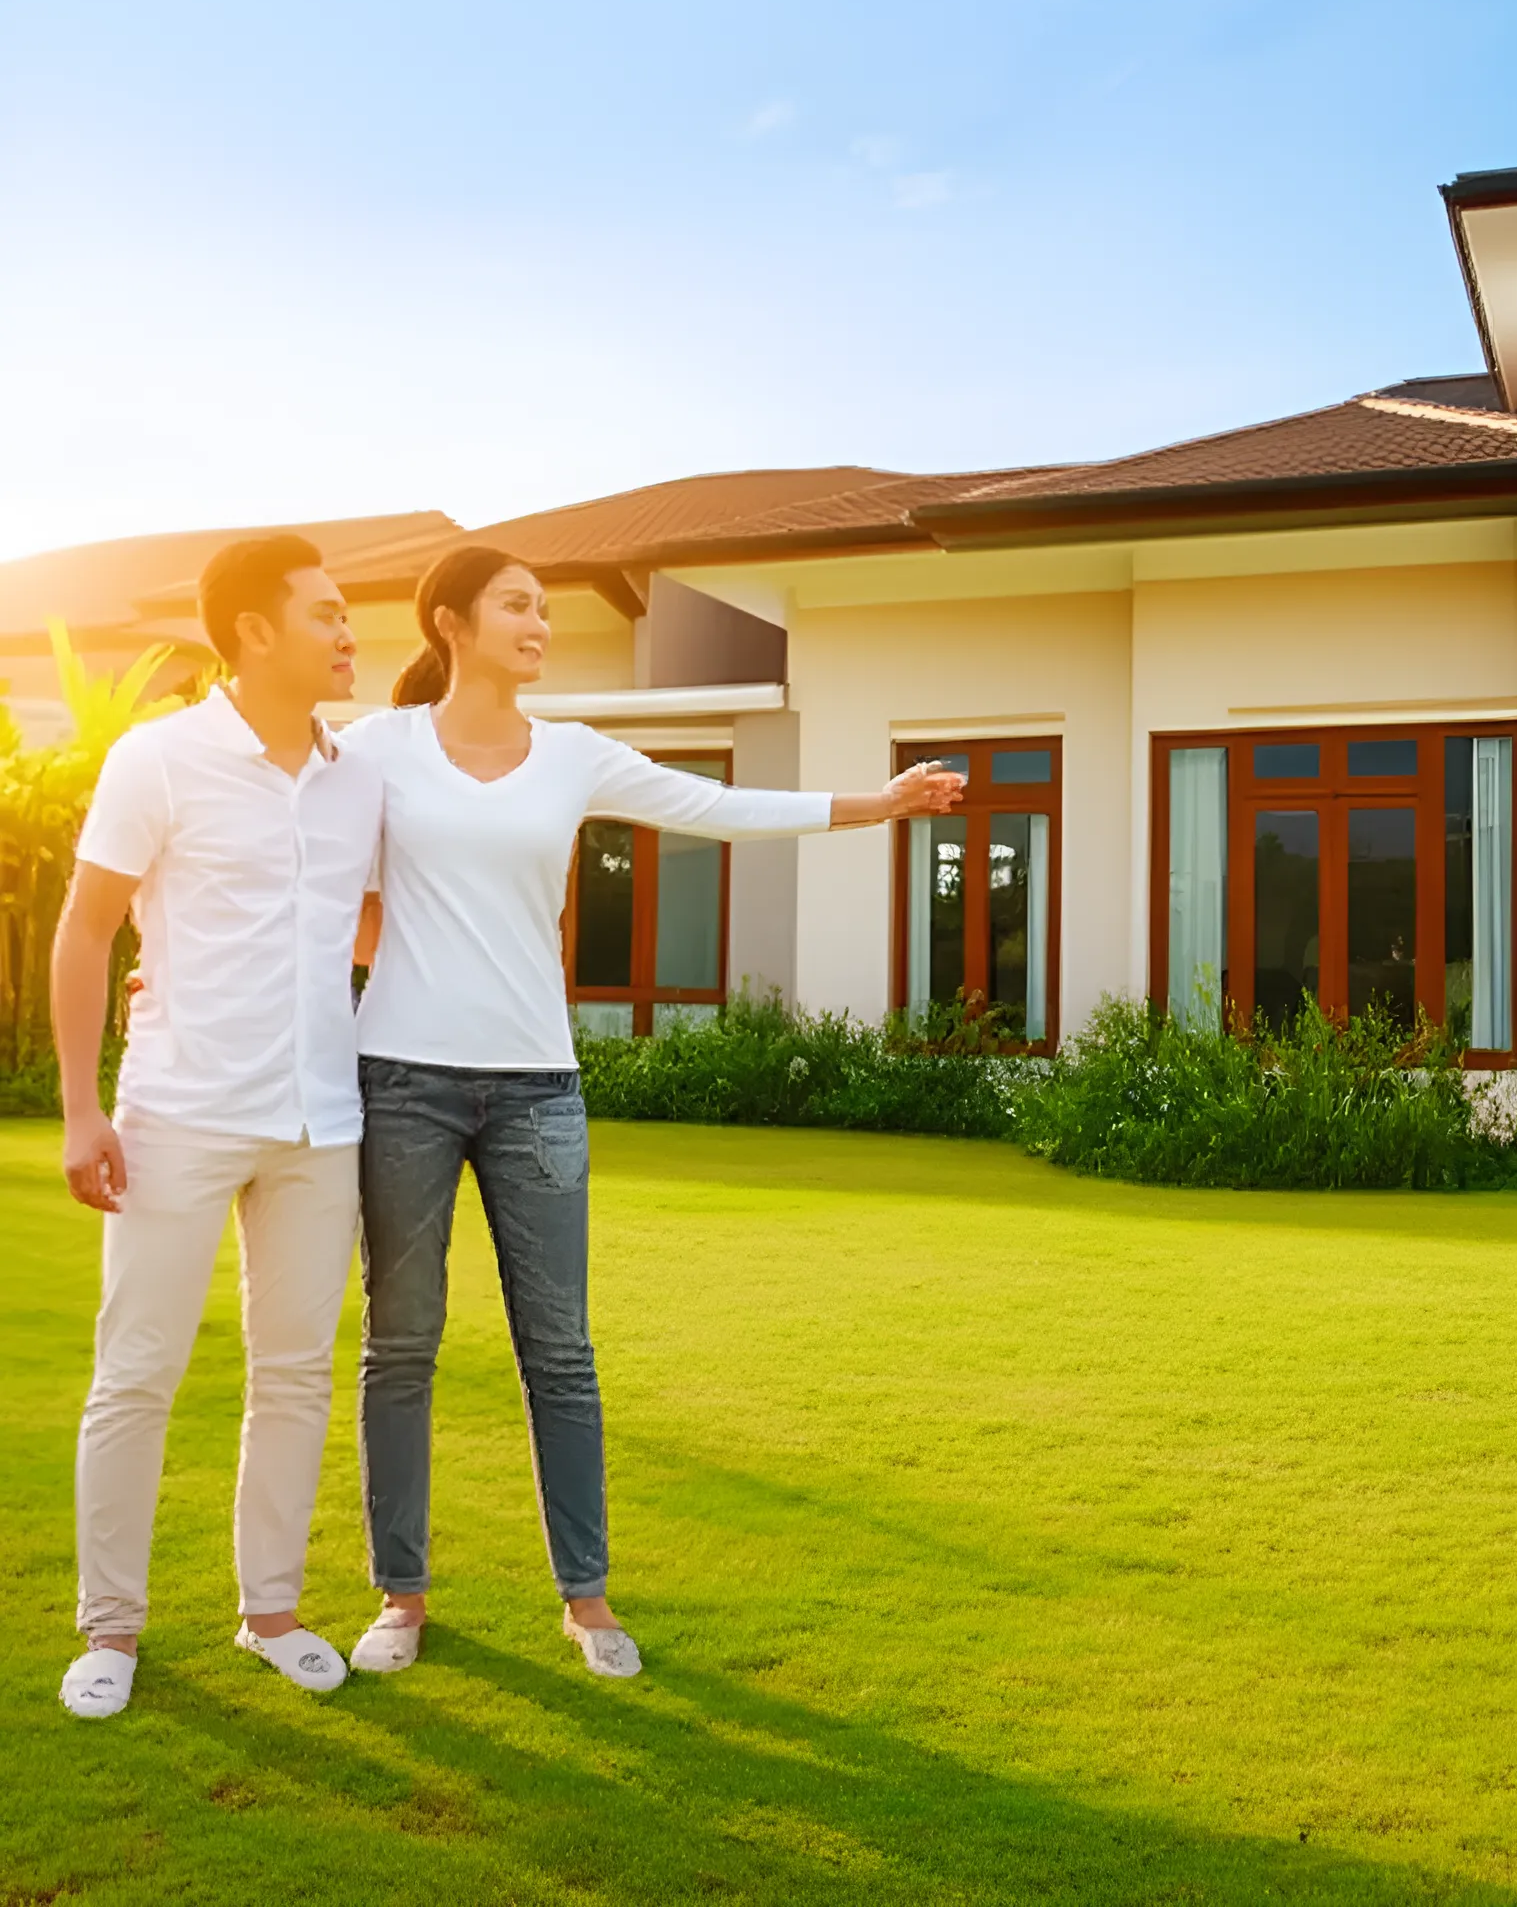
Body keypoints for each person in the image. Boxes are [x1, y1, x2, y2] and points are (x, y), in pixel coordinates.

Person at [341, 545, 962, 1681]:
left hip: (536, 1086)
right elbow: (291, 869)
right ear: (449, 622)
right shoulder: (376, 749)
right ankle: (401, 1595)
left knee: (560, 1352)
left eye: (544, 606)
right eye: (515, 605)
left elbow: (719, 806)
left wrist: (877, 803)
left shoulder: (573, 755)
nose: (538, 621)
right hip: (403, 1081)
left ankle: (587, 1600)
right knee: (402, 1343)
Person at [53, 535, 380, 1719]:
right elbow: (87, 928)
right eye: (326, 613)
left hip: (318, 1122)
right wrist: (83, 1106)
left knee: (294, 1374)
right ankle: (111, 1626)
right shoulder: (158, 758)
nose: (348, 633)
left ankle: (271, 1610)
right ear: (253, 630)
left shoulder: (360, 775)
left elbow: (369, 927)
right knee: (137, 1372)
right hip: (177, 1114)